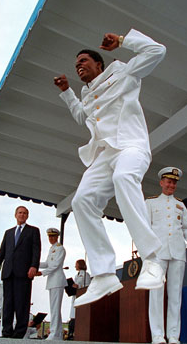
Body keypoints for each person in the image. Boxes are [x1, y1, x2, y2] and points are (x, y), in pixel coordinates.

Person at [54, 29, 166, 306]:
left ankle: (152, 259)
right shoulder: (87, 93)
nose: (79, 65)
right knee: (82, 201)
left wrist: (124, 42)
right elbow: (83, 116)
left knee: (124, 177)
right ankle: (104, 275)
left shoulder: (123, 73)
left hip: (130, 145)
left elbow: (157, 52)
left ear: (99, 64)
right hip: (104, 153)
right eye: (76, 63)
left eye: (83, 60)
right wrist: (67, 92)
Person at [145, 167, 187, 344]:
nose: (171, 185)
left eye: (174, 182)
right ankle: (157, 335)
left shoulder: (181, 205)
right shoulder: (151, 203)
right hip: (157, 252)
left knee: (175, 294)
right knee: (156, 293)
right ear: (161, 182)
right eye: (168, 181)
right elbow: (144, 228)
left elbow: (186, 229)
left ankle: (174, 335)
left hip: (177, 251)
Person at [0, 206, 41, 339]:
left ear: (27, 216)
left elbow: (36, 250)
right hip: (8, 272)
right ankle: (6, 332)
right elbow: (2, 252)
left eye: (24, 213)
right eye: (20, 213)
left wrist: (34, 266)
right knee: (7, 304)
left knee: (21, 303)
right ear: (15, 215)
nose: (22, 215)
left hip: (24, 273)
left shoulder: (33, 231)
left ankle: (19, 332)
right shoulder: (9, 233)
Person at [37, 228, 67, 340]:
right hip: (52, 281)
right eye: (49, 237)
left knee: (55, 308)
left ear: (57, 237)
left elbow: (55, 266)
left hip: (57, 281)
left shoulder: (60, 249)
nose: (51, 238)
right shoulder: (52, 249)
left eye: (53, 236)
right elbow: (47, 263)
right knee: (54, 307)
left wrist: (41, 273)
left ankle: (54, 332)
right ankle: (58, 333)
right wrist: (35, 263)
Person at [67, 259, 91, 340]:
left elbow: (87, 286)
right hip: (75, 297)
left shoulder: (86, 275)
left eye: (76, 264)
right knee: (73, 318)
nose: (75, 266)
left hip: (81, 297)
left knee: (79, 317)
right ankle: (71, 333)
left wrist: (78, 286)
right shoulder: (76, 275)